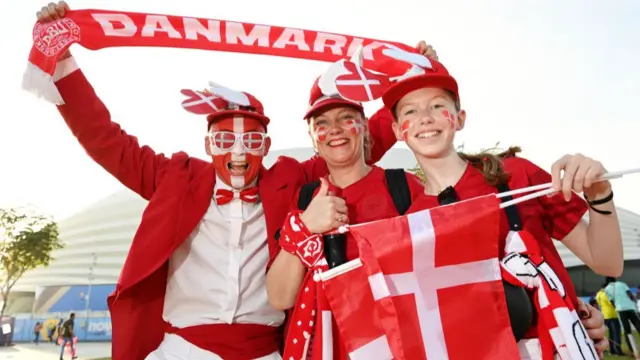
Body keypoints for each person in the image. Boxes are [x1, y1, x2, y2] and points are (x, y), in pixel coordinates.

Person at [35, 3, 399, 360]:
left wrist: (408, 83)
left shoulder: (290, 181)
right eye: (225, 141)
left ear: (267, 146)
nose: (239, 155)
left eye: (252, 142)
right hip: (181, 351)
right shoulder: (175, 178)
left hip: (265, 351)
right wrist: (62, 61)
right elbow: (106, 141)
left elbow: (348, 149)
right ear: (207, 145)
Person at [371, 53, 621, 358]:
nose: (425, 118)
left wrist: (599, 194)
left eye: (438, 106)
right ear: (398, 130)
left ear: (459, 119)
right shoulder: (412, 224)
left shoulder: (517, 176)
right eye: (411, 111)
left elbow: (607, 263)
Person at [266, 76, 425, 359]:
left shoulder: (404, 188)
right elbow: (279, 297)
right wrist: (304, 228)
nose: (335, 129)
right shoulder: (305, 200)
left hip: (396, 346)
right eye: (322, 124)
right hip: (326, 347)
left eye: (346, 117)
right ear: (313, 138)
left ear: (364, 128)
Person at [605, 277, 640, 356]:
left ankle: (633, 351)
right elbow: (630, 294)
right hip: (629, 307)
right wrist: (633, 301)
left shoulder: (607, 289)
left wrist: (616, 307)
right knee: (638, 325)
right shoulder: (622, 284)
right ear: (615, 279)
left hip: (620, 310)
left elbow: (612, 301)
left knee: (627, 330)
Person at [596, 284, 623, 356]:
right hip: (612, 315)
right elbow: (612, 303)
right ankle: (618, 350)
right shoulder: (606, 294)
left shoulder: (599, 294)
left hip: (605, 315)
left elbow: (598, 303)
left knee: (610, 334)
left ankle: (612, 350)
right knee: (616, 333)